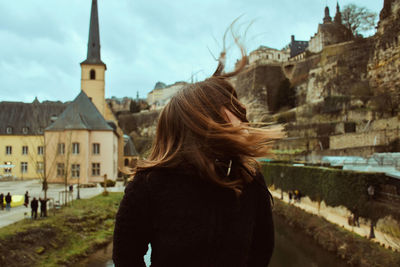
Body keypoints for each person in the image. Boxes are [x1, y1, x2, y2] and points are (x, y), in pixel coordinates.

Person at [113, 49, 282, 266]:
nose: (243, 112)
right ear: (202, 119)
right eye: (232, 107)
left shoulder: (249, 178)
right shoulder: (148, 185)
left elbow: (261, 252)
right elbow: (126, 258)